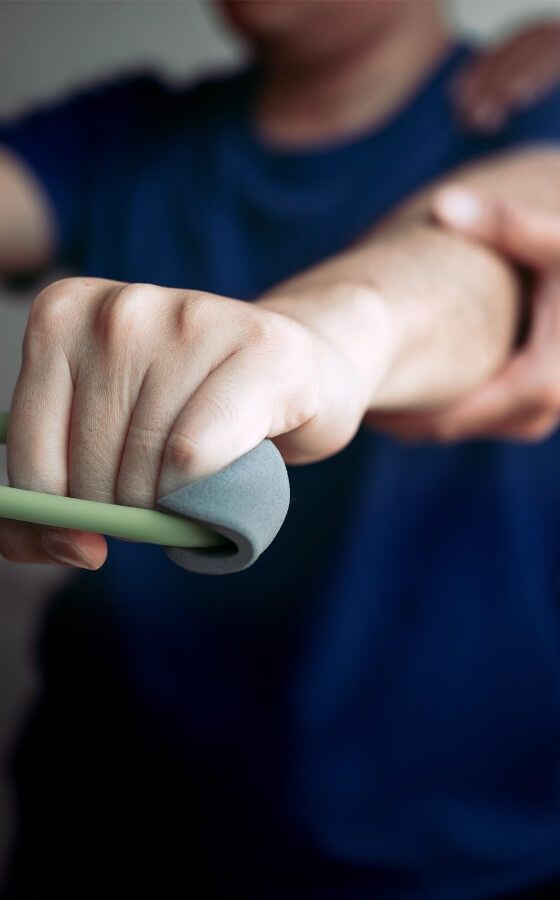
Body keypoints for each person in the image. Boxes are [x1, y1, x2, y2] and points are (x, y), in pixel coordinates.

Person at [1, 2, 560, 897]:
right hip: (106, 824)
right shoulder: (125, 128)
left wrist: (332, 334)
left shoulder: (535, 100)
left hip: (448, 855)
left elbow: (488, 249)